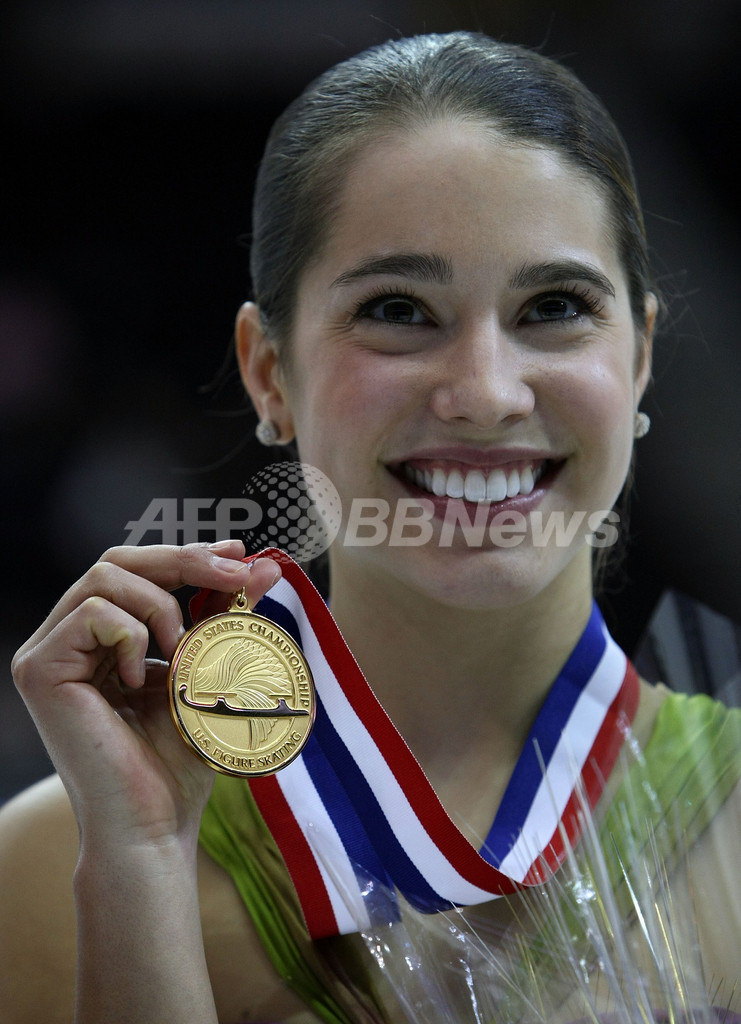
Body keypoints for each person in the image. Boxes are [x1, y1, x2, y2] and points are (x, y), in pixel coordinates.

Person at [1, 30, 739, 1024]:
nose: (483, 392)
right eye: (399, 308)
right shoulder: (52, 869)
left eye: (555, 305)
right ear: (269, 372)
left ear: (640, 361)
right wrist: (136, 877)